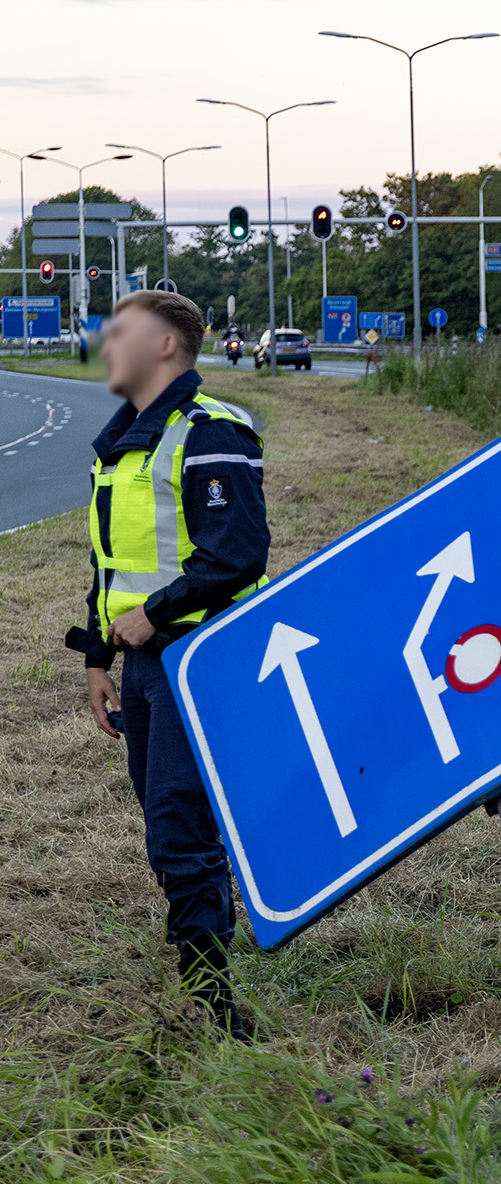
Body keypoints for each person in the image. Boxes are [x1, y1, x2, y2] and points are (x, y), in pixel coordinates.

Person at [65, 290, 269, 1039]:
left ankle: (215, 1007)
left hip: (200, 657)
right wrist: (98, 655)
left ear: (166, 347)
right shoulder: (122, 445)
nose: (106, 342)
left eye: (122, 331)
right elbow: (109, 565)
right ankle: (204, 931)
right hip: (146, 664)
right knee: (166, 820)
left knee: (178, 829)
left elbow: (238, 553)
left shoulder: (210, 431)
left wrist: (154, 616)